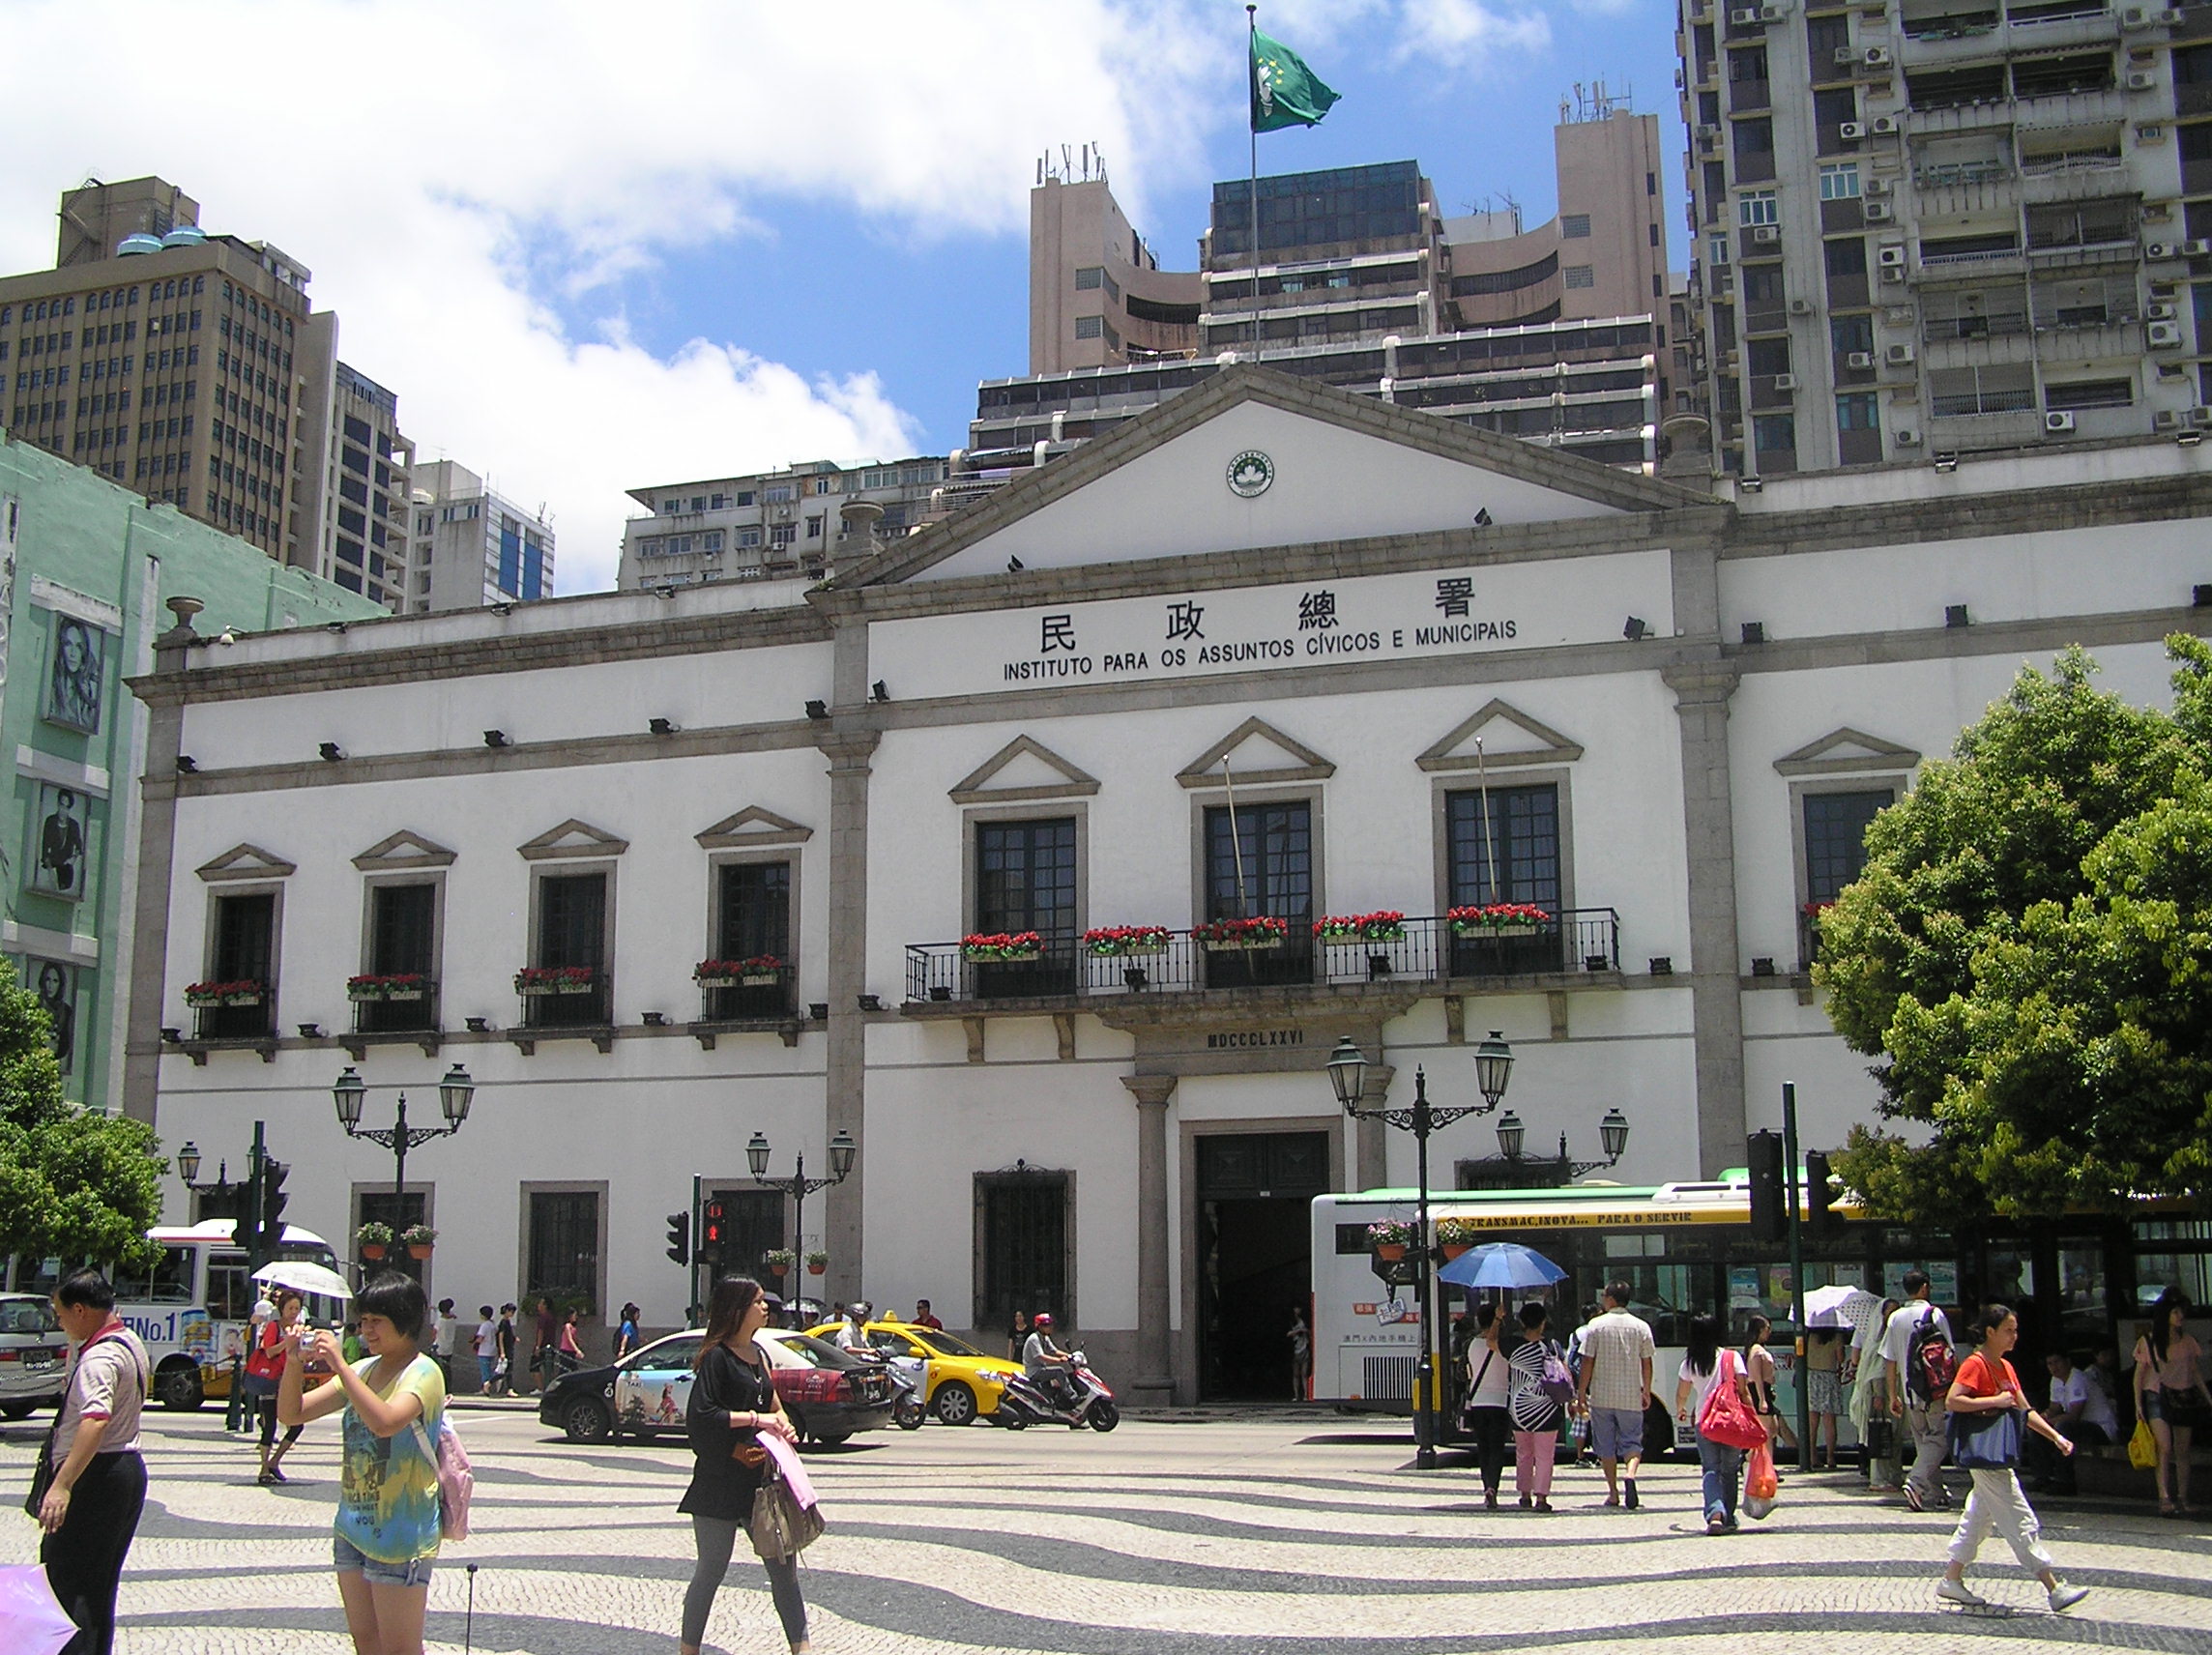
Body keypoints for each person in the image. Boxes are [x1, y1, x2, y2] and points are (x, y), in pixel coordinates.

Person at [277, 1270, 447, 1655]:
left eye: (376, 1322)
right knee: (366, 1643)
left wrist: (339, 1365)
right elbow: (292, 1413)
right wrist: (292, 1363)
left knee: (399, 1648)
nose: (366, 1330)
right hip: (353, 1527)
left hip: (401, 1530)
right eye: (362, 1321)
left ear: (403, 1322)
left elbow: (386, 1422)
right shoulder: (364, 1370)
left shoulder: (423, 1372)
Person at [679, 1275, 808, 1655]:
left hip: (760, 1485)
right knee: (711, 1570)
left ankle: (802, 1649)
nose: (765, 1306)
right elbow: (702, 1415)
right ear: (737, 1309)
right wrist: (756, 1421)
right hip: (718, 1483)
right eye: (757, 1301)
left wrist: (782, 1423)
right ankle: (689, 1650)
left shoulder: (760, 1355)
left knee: (783, 1569)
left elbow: (772, 1403)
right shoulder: (717, 1357)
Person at [1936, 1303, 2088, 1612]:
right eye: (2008, 1330)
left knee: (1977, 1519)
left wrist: (2056, 1437)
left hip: (1995, 1456)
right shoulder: (1975, 1364)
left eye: (2015, 1330)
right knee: (2019, 1517)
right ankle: (2053, 1587)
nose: (2014, 1336)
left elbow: (2024, 1410)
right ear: (1989, 1332)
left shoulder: (2006, 1368)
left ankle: (1951, 1579)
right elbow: (1953, 1400)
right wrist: (1995, 1400)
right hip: (1985, 1456)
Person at [40, 1268, 149, 1655]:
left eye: (61, 1312)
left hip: (96, 1474)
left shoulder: (99, 1357)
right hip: (124, 1469)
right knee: (98, 1585)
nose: (60, 1321)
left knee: (70, 1585)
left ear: (81, 1309)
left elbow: (95, 1419)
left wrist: (63, 1484)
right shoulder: (129, 1341)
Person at [1574, 1280, 1656, 1509]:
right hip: (1630, 1396)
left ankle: (1613, 1492)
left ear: (1610, 1299)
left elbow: (1587, 1361)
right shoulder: (1641, 1327)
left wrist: (1582, 1393)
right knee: (1632, 1441)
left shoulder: (1596, 1326)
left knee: (1605, 1446)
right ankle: (1630, 1474)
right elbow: (1647, 1362)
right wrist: (1646, 1390)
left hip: (1602, 1396)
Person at [1676, 1313, 1757, 1535]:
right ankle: (1729, 1516)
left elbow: (1682, 1392)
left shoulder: (1690, 1363)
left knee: (1710, 1469)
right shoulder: (1732, 1358)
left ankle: (1715, 1513)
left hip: (1705, 1422)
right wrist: (1753, 1417)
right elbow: (1743, 1390)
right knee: (1730, 1470)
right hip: (1731, 1422)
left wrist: (1681, 1409)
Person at [1881, 1270, 1956, 1512]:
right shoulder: (1934, 1313)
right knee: (1940, 1438)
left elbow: (1890, 1360)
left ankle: (1937, 1493)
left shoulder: (1895, 1318)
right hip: (1936, 1390)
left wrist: (1893, 1395)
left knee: (1925, 1442)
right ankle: (1915, 1482)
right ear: (1925, 1287)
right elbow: (1949, 1352)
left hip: (1909, 1392)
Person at [2134, 1287, 2210, 1517]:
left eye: (2182, 1312)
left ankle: (2183, 1498)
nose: (2180, 1317)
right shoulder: (2148, 1341)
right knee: (2165, 1447)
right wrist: (2138, 1404)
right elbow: (2138, 1376)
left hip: (2183, 1396)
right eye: (2175, 1312)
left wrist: (2208, 1397)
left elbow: (2195, 1372)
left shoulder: (2187, 1341)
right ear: (2165, 1314)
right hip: (2156, 1395)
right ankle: (2164, 1497)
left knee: (2183, 1450)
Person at [2026, 1350, 2114, 1495]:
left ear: (2067, 1362)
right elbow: (2054, 1407)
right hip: (2078, 1426)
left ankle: (2065, 1481)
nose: (2054, 1367)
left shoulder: (2077, 1378)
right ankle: (2042, 1477)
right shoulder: (2056, 1380)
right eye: (2050, 1364)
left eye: (2057, 1362)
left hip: (2100, 1428)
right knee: (2036, 1428)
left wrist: (2049, 1425)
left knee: (2063, 1428)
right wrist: (2042, 1419)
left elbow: (2074, 1415)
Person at [1506, 1301, 1565, 1512]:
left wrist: (1497, 1318)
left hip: (1519, 1410)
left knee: (1523, 1453)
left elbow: (1491, 1342)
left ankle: (1524, 1494)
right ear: (1543, 1322)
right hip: (1547, 1409)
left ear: (1521, 1322)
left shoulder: (1511, 1345)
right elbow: (1565, 1374)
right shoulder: (1552, 1346)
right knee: (1544, 1455)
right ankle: (1541, 1498)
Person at [250, 1290, 307, 1484]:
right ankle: (264, 1469)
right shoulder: (274, 1327)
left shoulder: (300, 1328)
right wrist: (286, 1342)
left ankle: (275, 1461)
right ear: (282, 1309)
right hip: (271, 1379)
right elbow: (268, 1352)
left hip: (290, 1381)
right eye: (290, 1308)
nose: (293, 1312)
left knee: (297, 1425)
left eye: (297, 1309)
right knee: (270, 1425)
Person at [1462, 1302, 1514, 1510]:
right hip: (1500, 1402)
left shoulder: (1471, 1345)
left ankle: (1486, 1487)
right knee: (1497, 1449)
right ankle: (1494, 1485)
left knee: (1483, 1449)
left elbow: (1464, 1374)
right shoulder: (1504, 1346)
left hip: (1478, 1403)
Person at [1743, 1314, 1799, 1463]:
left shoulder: (1758, 1349)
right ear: (1759, 1330)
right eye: (1767, 1329)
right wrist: (1762, 1399)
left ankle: (1756, 1461)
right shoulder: (1756, 1351)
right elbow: (1756, 1378)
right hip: (1760, 1392)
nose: (1769, 1332)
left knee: (1772, 1429)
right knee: (1767, 1433)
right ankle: (1762, 1465)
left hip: (1765, 1391)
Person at [1804, 1326, 1845, 1472]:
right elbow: (1840, 1358)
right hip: (1829, 1377)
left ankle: (1812, 1456)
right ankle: (1830, 1457)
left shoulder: (1810, 1335)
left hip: (1812, 1377)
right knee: (1829, 1422)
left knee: (1812, 1422)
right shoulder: (1837, 1336)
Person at [1023, 1311, 1076, 1408]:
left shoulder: (1045, 1338)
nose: (1050, 1327)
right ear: (1039, 1327)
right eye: (1047, 1325)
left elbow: (1054, 1351)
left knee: (1056, 1386)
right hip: (1034, 1371)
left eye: (1051, 1325)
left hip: (1041, 1369)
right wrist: (1059, 1361)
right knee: (1059, 1371)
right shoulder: (1034, 1339)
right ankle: (1073, 1396)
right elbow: (1041, 1356)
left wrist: (1069, 1356)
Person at [533, 1296, 558, 1393]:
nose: (538, 1305)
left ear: (545, 1306)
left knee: (534, 1367)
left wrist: (538, 1346)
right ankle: (549, 1388)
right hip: (551, 1345)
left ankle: (540, 1388)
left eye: (540, 1303)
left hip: (543, 1346)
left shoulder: (543, 1317)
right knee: (548, 1369)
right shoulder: (552, 1317)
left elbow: (541, 1332)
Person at [433, 1300, 461, 1384]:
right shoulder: (453, 1320)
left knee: (440, 1368)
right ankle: (448, 1385)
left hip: (439, 1347)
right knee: (447, 1367)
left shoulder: (440, 1321)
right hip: (449, 1347)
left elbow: (434, 1333)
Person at [1288, 1305, 1311, 1402]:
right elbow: (1288, 1334)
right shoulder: (1290, 1321)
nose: (1298, 1309)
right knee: (1296, 1374)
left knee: (1304, 1373)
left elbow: (1310, 1331)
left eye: (1299, 1307)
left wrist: (1305, 1331)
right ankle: (1296, 1395)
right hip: (1295, 1350)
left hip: (1305, 1349)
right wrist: (1298, 1331)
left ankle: (1306, 1394)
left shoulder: (1305, 1320)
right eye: (1296, 1307)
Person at [473, 1306, 498, 1393]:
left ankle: (484, 1389)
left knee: (485, 1372)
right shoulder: (493, 1325)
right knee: (489, 1369)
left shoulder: (484, 1325)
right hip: (492, 1350)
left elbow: (480, 1338)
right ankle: (491, 1383)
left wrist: (475, 1343)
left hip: (484, 1351)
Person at [494, 1303, 518, 1396]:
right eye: (511, 1312)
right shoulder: (503, 1322)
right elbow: (500, 1336)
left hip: (509, 1347)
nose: (512, 1314)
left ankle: (508, 1388)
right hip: (506, 1349)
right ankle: (509, 1388)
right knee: (506, 1370)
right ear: (507, 1311)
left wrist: (514, 1338)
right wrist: (502, 1351)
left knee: (507, 1369)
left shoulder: (507, 1322)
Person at [558, 1308, 586, 1374]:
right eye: (574, 1315)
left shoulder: (573, 1327)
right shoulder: (567, 1326)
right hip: (566, 1351)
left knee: (573, 1370)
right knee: (564, 1371)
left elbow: (574, 1338)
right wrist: (577, 1350)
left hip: (571, 1351)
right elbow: (569, 1339)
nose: (576, 1317)